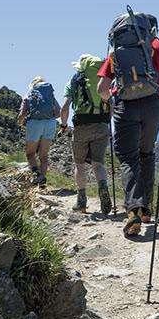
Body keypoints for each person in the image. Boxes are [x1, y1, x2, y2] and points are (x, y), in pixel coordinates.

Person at [97, 18, 159, 236]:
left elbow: (102, 88)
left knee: (128, 157)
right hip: (153, 104)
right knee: (147, 153)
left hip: (125, 106)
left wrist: (112, 100)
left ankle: (133, 209)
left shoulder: (118, 51)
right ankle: (146, 209)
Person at [61, 54, 112, 213]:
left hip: (81, 125)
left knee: (80, 164)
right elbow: (111, 103)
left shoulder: (75, 80)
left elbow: (65, 107)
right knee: (98, 163)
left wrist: (63, 125)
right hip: (102, 124)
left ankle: (81, 201)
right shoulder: (104, 78)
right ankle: (103, 188)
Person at [18, 76, 61, 186]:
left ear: (33, 84)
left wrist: (21, 122)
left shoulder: (29, 94)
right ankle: (42, 180)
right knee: (44, 155)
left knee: (30, 154)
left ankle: (37, 174)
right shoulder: (50, 96)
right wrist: (49, 117)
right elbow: (58, 112)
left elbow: (22, 114)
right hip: (50, 123)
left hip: (35, 124)